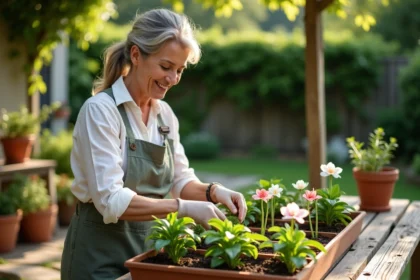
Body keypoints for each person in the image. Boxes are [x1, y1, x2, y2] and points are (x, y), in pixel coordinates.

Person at [61, 8, 247, 280]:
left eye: (180, 70)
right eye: (165, 67)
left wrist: (214, 192)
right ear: (136, 55)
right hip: (98, 258)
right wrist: (182, 207)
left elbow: (179, 180)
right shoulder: (101, 111)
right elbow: (111, 201)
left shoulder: (165, 115)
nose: (172, 79)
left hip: (148, 255)